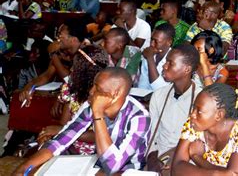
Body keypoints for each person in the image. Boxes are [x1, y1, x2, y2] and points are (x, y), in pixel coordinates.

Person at [14, 67, 151, 175]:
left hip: (127, 171)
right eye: (93, 85)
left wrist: (98, 114)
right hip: (98, 166)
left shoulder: (139, 118)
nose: (91, 91)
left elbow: (113, 166)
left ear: (115, 94)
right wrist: (23, 168)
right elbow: (60, 141)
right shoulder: (90, 105)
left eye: (98, 88)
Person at [172, 83, 238, 175]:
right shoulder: (194, 123)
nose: (192, 114)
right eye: (193, 108)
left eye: (199, 111)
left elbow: (234, 173)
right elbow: (177, 167)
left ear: (219, 115)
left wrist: (197, 157)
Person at [37, 45, 109, 155]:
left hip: (95, 151)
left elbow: (101, 135)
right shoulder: (72, 89)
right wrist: (50, 136)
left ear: (87, 71)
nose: (71, 69)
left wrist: (62, 131)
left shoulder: (105, 96)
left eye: (75, 67)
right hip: (70, 143)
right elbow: (64, 123)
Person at [147, 44, 202, 172]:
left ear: (187, 69)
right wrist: (152, 157)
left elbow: (199, 142)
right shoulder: (159, 95)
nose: (164, 66)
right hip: (159, 156)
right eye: (166, 61)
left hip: (186, 160)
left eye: (170, 63)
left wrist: (177, 161)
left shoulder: (200, 99)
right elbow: (152, 134)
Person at [136, 23, 175, 90]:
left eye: (156, 41)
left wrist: (150, 59)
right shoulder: (150, 54)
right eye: (151, 39)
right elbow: (143, 82)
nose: (152, 44)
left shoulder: (174, 60)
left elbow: (160, 89)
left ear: (169, 42)